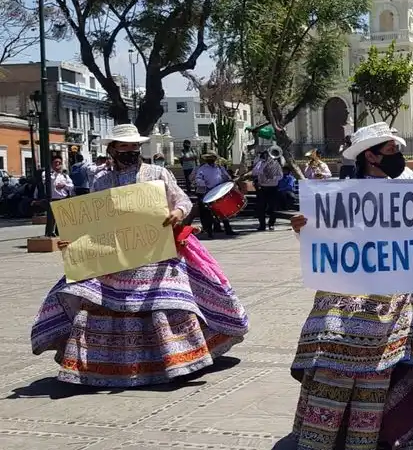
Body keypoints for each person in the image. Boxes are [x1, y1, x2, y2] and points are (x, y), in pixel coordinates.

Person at [30, 124, 249, 387]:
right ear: (112, 149)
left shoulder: (158, 173)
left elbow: (183, 201)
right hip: (115, 254)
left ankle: (180, 358)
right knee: (91, 295)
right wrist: (74, 239)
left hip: (156, 250)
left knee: (165, 299)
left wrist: (177, 213)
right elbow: (92, 219)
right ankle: (108, 363)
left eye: (135, 146)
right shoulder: (101, 181)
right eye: (124, 146)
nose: (131, 151)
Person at [287, 122, 413, 450]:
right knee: (334, 342)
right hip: (353, 290)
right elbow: (328, 241)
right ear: (370, 154)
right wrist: (304, 230)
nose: (399, 156)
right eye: (392, 150)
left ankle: (395, 428)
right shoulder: (342, 193)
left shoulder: (409, 185)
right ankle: (335, 431)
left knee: (405, 357)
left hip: (397, 289)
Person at [194, 150, 236, 238]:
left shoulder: (220, 168)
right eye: (209, 158)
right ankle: (209, 231)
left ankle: (228, 229)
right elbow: (198, 179)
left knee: (223, 210)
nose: (211, 159)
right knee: (208, 213)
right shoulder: (202, 169)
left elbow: (226, 177)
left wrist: (229, 181)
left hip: (219, 192)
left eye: (212, 158)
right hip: (208, 192)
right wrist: (204, 184)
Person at [35, 156, 74, 236]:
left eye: (59, 163)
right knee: (51, 219)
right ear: (51, 164)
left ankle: (60, 234)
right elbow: (47, 181)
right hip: (52, 199)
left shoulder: (65, 175)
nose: (57, 164)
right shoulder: (47, 173)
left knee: (62, 219)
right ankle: (49, 234)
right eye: (55, 162)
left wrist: (64, 185)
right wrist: (56, 173)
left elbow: (71, 186)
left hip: (63, 199)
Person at [252, 145, 283, 231]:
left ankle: (271, 224)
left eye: (268, 154)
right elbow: (254, 172)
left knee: (273, 207)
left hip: (273, 188)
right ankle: (262, 225)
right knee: (261, 207)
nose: (267, 156)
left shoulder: (277, 164)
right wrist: (260, 173)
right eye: (266, 154)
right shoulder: (260, 163)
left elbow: (280, 176)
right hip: (262, 188)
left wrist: (272, 177)